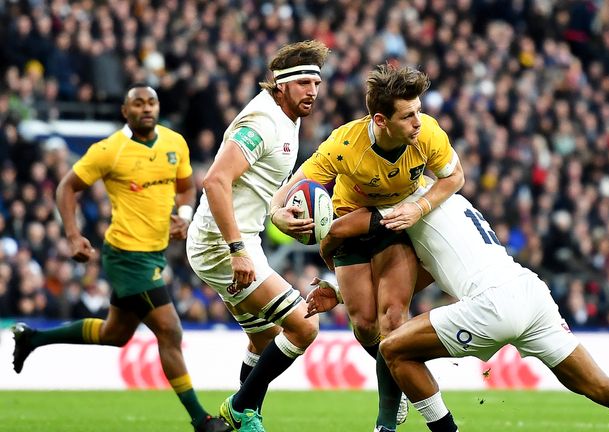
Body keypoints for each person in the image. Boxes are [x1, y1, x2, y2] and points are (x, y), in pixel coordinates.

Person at [306, 191, 609, 432]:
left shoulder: (407, 192)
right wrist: (340, 293)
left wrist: (326, 241)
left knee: (392, 349)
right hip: (530, 292)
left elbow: (346, 227)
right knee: (601, 386)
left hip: (493, 302)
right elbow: (417, 280)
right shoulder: (452, 199)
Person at [11, 83, 231, 432]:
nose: (146, 108)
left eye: (151, 102)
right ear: (125, 112)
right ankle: (201, 419)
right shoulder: (109, 150)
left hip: (154, 253)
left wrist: (185, 214)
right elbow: (66, 187)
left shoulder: (175, 143)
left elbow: (187, 186)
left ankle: (32, 338)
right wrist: (72, 234)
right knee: (170, 329)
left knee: (116, 333)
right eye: (138, 103)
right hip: (127, 255)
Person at [270, 64, 464, 432]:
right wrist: (277, 215)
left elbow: (456, 176)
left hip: (397, 224)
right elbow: (294, 184)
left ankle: (384, 424)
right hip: (350, 225)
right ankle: (402, 375)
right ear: (381, 119)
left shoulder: (429, 136)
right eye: (408, 116)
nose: (418, 122)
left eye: (418, 111)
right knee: (363, 325)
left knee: (392, 316)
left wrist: (418, 208)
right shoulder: (345, 145)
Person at [185, 40, 329, 432]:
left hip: (239, 238)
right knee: (304, 326)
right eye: (302, 82)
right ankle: (240, 407)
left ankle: (246, 418)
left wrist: (277, 214)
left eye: (316, 82)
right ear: (280, 85)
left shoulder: (289, 121)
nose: (312, 91)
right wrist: (236, 250)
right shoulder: (263, 123)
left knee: (265, 338)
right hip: (221, 244)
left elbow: (255, 188)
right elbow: (215, 182)